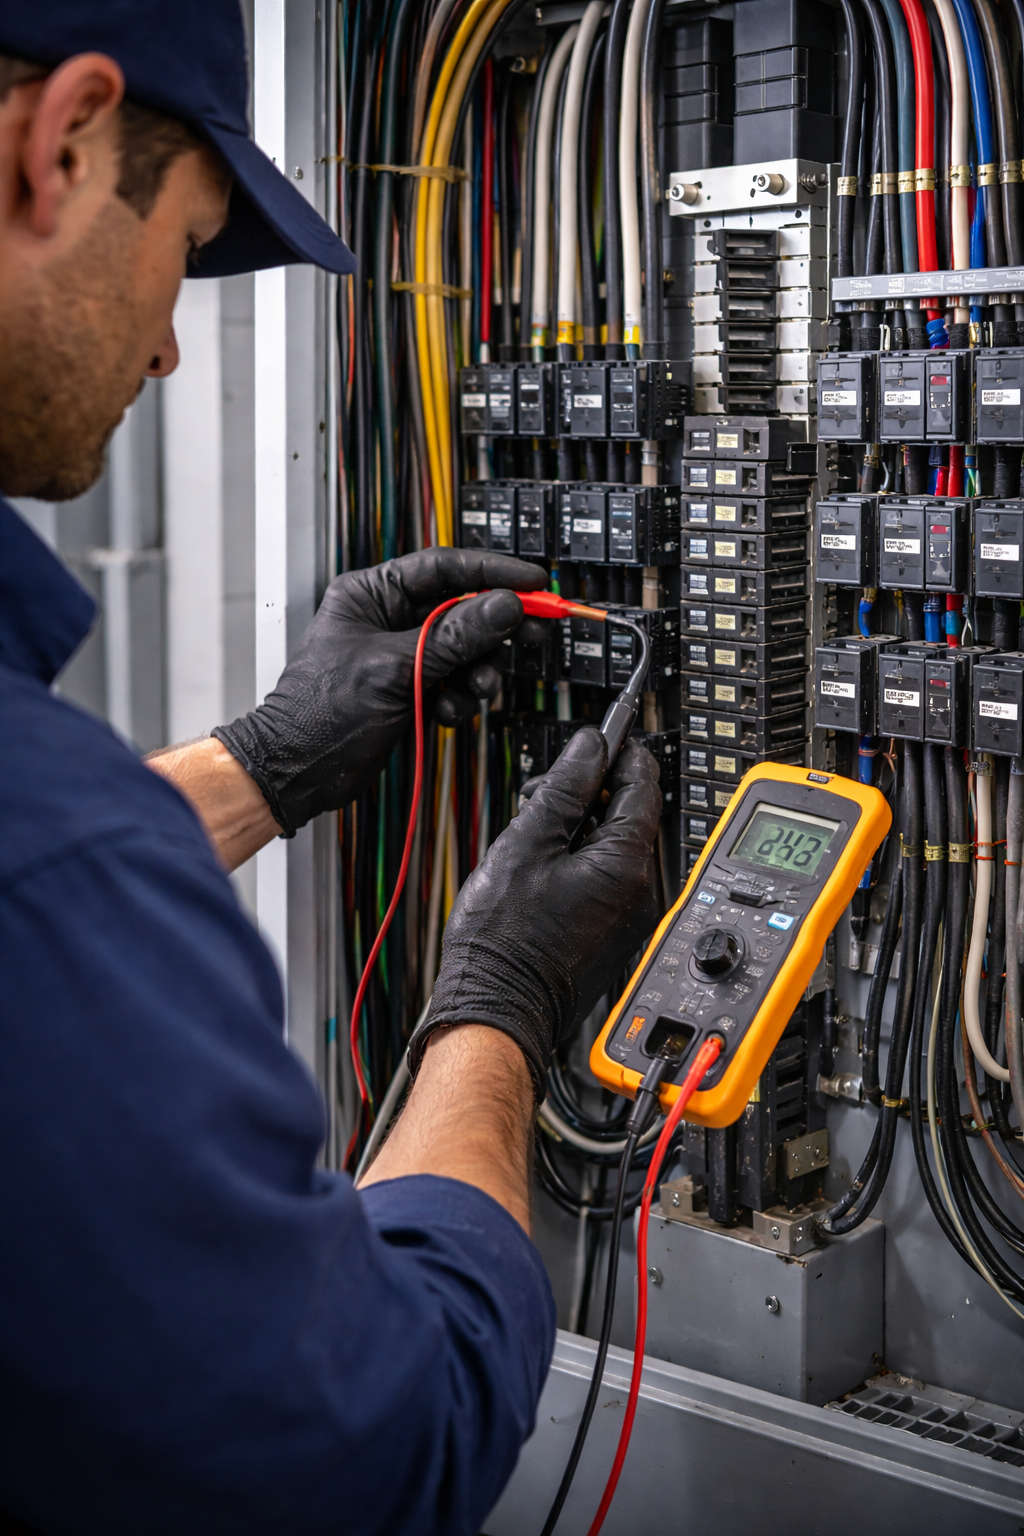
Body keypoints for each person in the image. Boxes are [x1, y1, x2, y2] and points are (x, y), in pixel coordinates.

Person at [0, 3, 662, 1533]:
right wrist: (495, 1003)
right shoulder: (54, 863)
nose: (171, 344)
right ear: (65, 142)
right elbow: (381, 1447)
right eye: (184, 243)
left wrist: (269, 760)